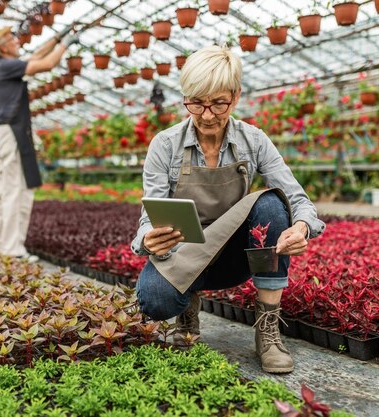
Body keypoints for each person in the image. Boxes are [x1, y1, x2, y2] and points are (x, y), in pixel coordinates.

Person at [131, 45, 326, 374]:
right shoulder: (165, 144)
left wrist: (302, 227)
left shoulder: (254, 140)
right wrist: (148, 239)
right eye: (196, 103)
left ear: (235, 97)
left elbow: (297, 198)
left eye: (218, 103)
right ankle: (187, 309)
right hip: (186, 254)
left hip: (238, 256)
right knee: (153, 299)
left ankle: (268, 331)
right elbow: (150, 212)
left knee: (272, 204)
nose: (207, 115)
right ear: (186, 98)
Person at [0, 21, 78, 262]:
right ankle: (13, 249)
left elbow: (35, 55)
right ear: (2, 48)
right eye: (11, 38)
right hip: (11, 131)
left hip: (5, 132)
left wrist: (57, 37)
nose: (16, 39)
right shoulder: (4, 66)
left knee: (5, 190)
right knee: (16, 190)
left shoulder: (2, 66)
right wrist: (66, 44)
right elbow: (46, 64)